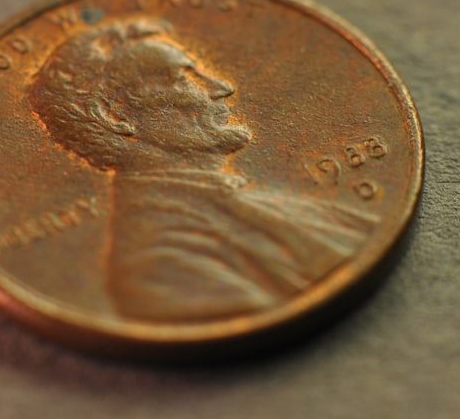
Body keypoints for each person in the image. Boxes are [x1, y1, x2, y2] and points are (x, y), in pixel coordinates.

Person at [28, 19, 378, 321]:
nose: (220, 88)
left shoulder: (267, 207)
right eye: (181, 77)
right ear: (114, 116)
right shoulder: (164, 268)